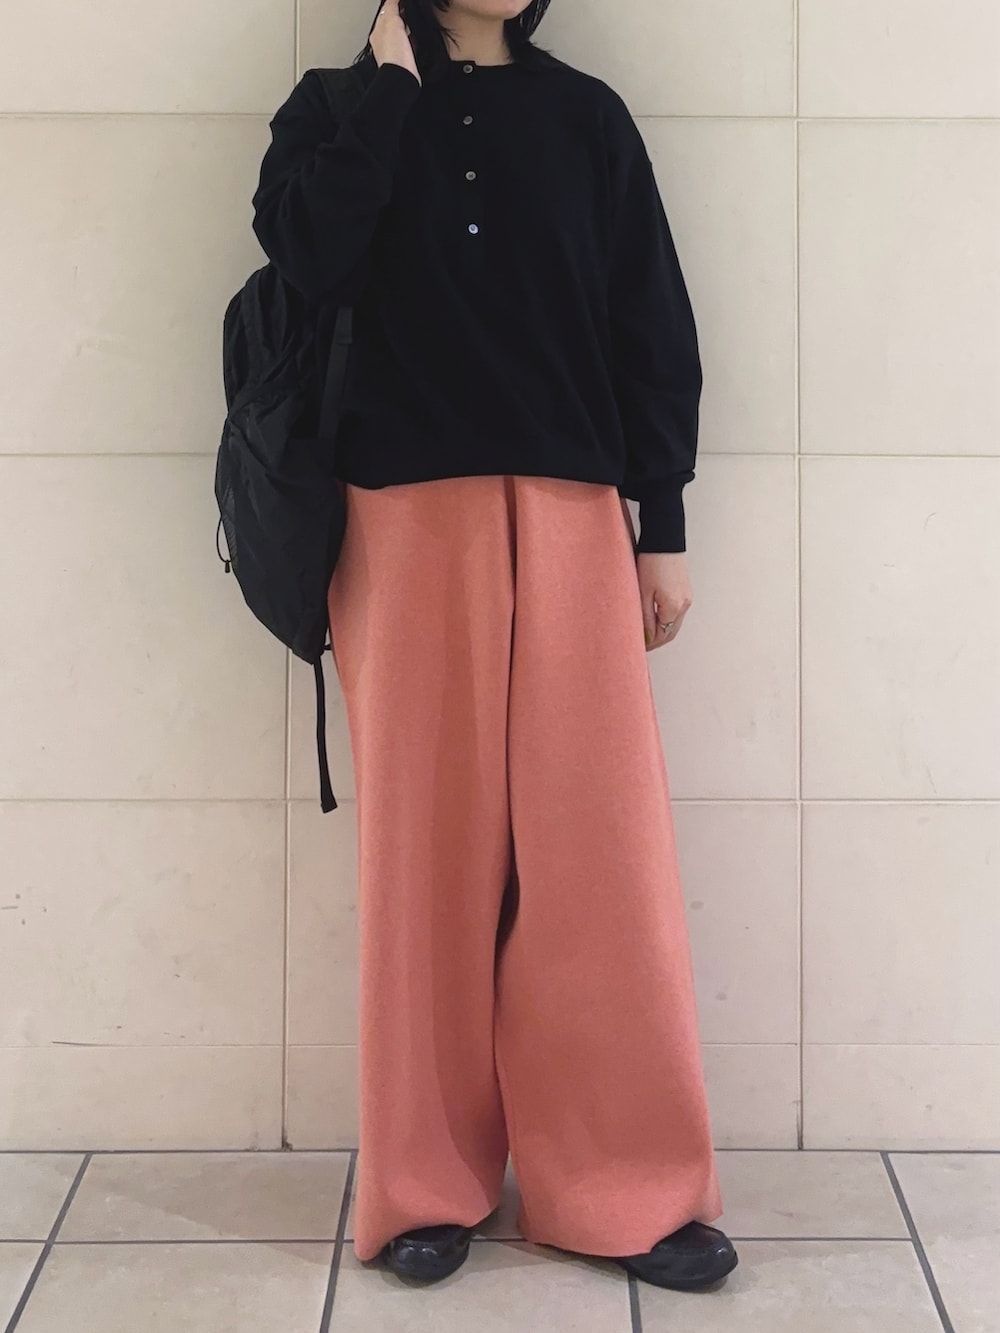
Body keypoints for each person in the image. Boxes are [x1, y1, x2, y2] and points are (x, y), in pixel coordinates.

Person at [252, 0, 737, 1291]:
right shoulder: (335, 110)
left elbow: (651, 324)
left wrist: (662, 524)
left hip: (572, 507)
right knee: (426, 859)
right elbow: (308, 257)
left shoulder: (586, 119)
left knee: (599, 854)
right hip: (399, 519)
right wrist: (385, 95)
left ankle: (625, 1183)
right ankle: (423, 1185)